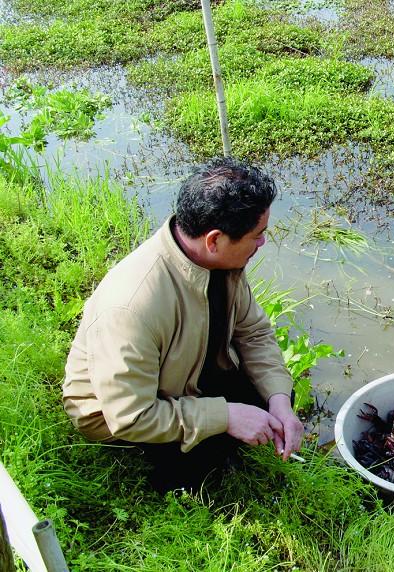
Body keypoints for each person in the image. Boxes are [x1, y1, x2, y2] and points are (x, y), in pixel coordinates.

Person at [63, 157, 304, 491]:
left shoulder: (223, 263)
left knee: (277, 395)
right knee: (202, 466)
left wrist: (279, 399)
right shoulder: (132, 305)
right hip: (125, 416)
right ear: (215, 240)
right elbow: (131, 416)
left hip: (184, 376)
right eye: (257, 235)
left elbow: (253, 332)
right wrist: (226, 417)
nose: (263, 243)